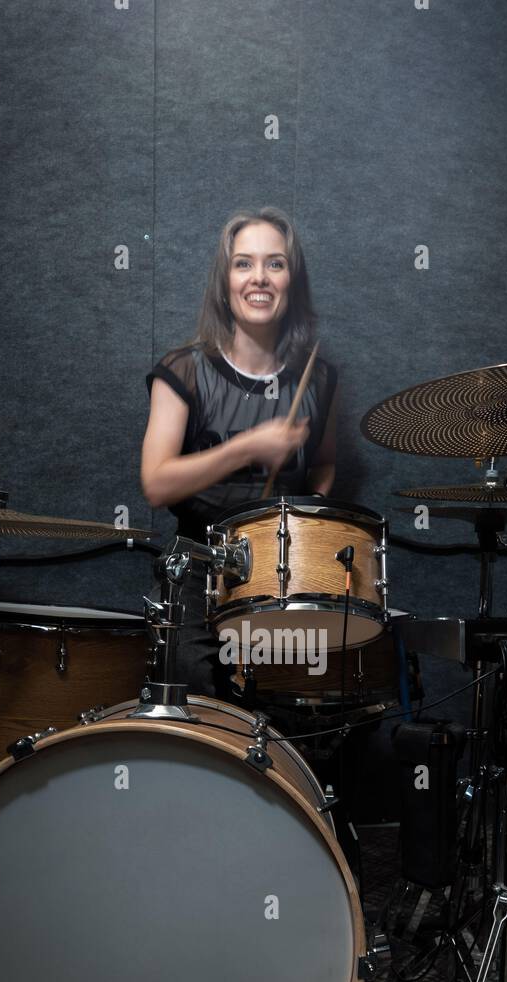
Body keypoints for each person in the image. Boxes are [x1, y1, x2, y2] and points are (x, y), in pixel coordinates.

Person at [141, 206, 338, 698]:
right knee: (199, 717)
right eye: (243, 263)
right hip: (197, 570)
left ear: (293, 280)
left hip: (281, 574)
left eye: (276, 263)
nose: (260, 278)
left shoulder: (317, 378)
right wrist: (249, 446)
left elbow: (325, 465)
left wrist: (303, 531)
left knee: (285, 718)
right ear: (224, 281)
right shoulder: (182, 369)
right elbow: (156, 483)